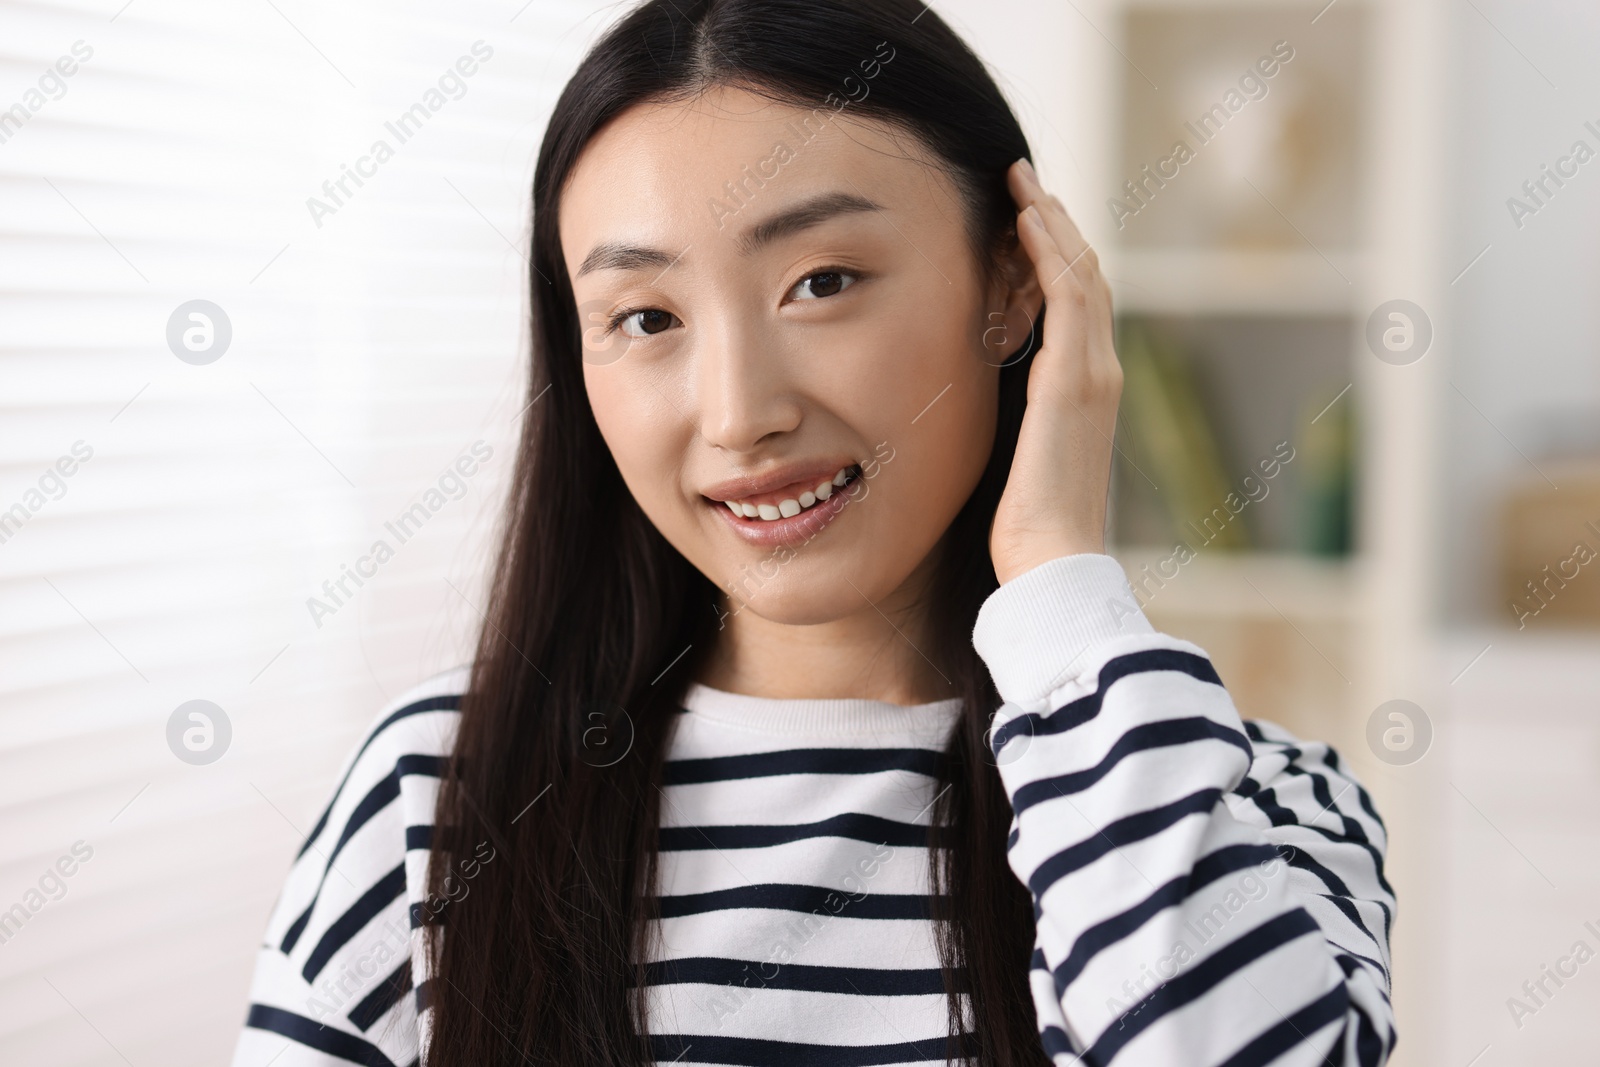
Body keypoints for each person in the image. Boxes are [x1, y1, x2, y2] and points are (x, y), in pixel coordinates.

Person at [230, 0, 1396, 1064]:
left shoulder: (1247, 806)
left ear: (1012, 282)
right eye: (645, 316)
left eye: (823, 281)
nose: (740, 412)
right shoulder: (435, 800)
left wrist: (1056, 575)